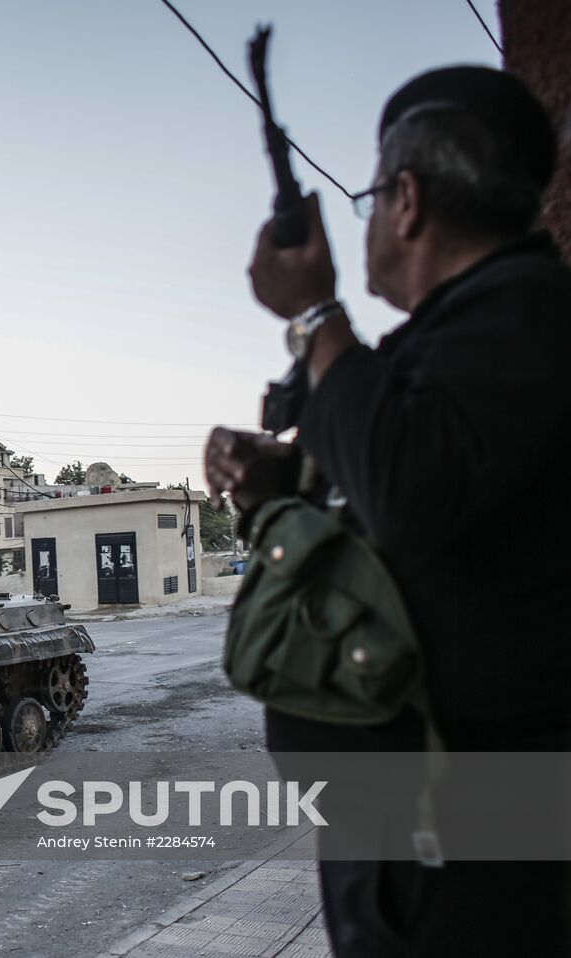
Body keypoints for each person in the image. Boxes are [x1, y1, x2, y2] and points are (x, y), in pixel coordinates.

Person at [205, 66, 571, 957]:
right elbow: (407, 496)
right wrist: (284, 481)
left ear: (406, 200)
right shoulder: (453, 337)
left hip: (481, 847)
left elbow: (408, 487)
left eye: (370, 198)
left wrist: (319, 315)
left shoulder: (527, 316)